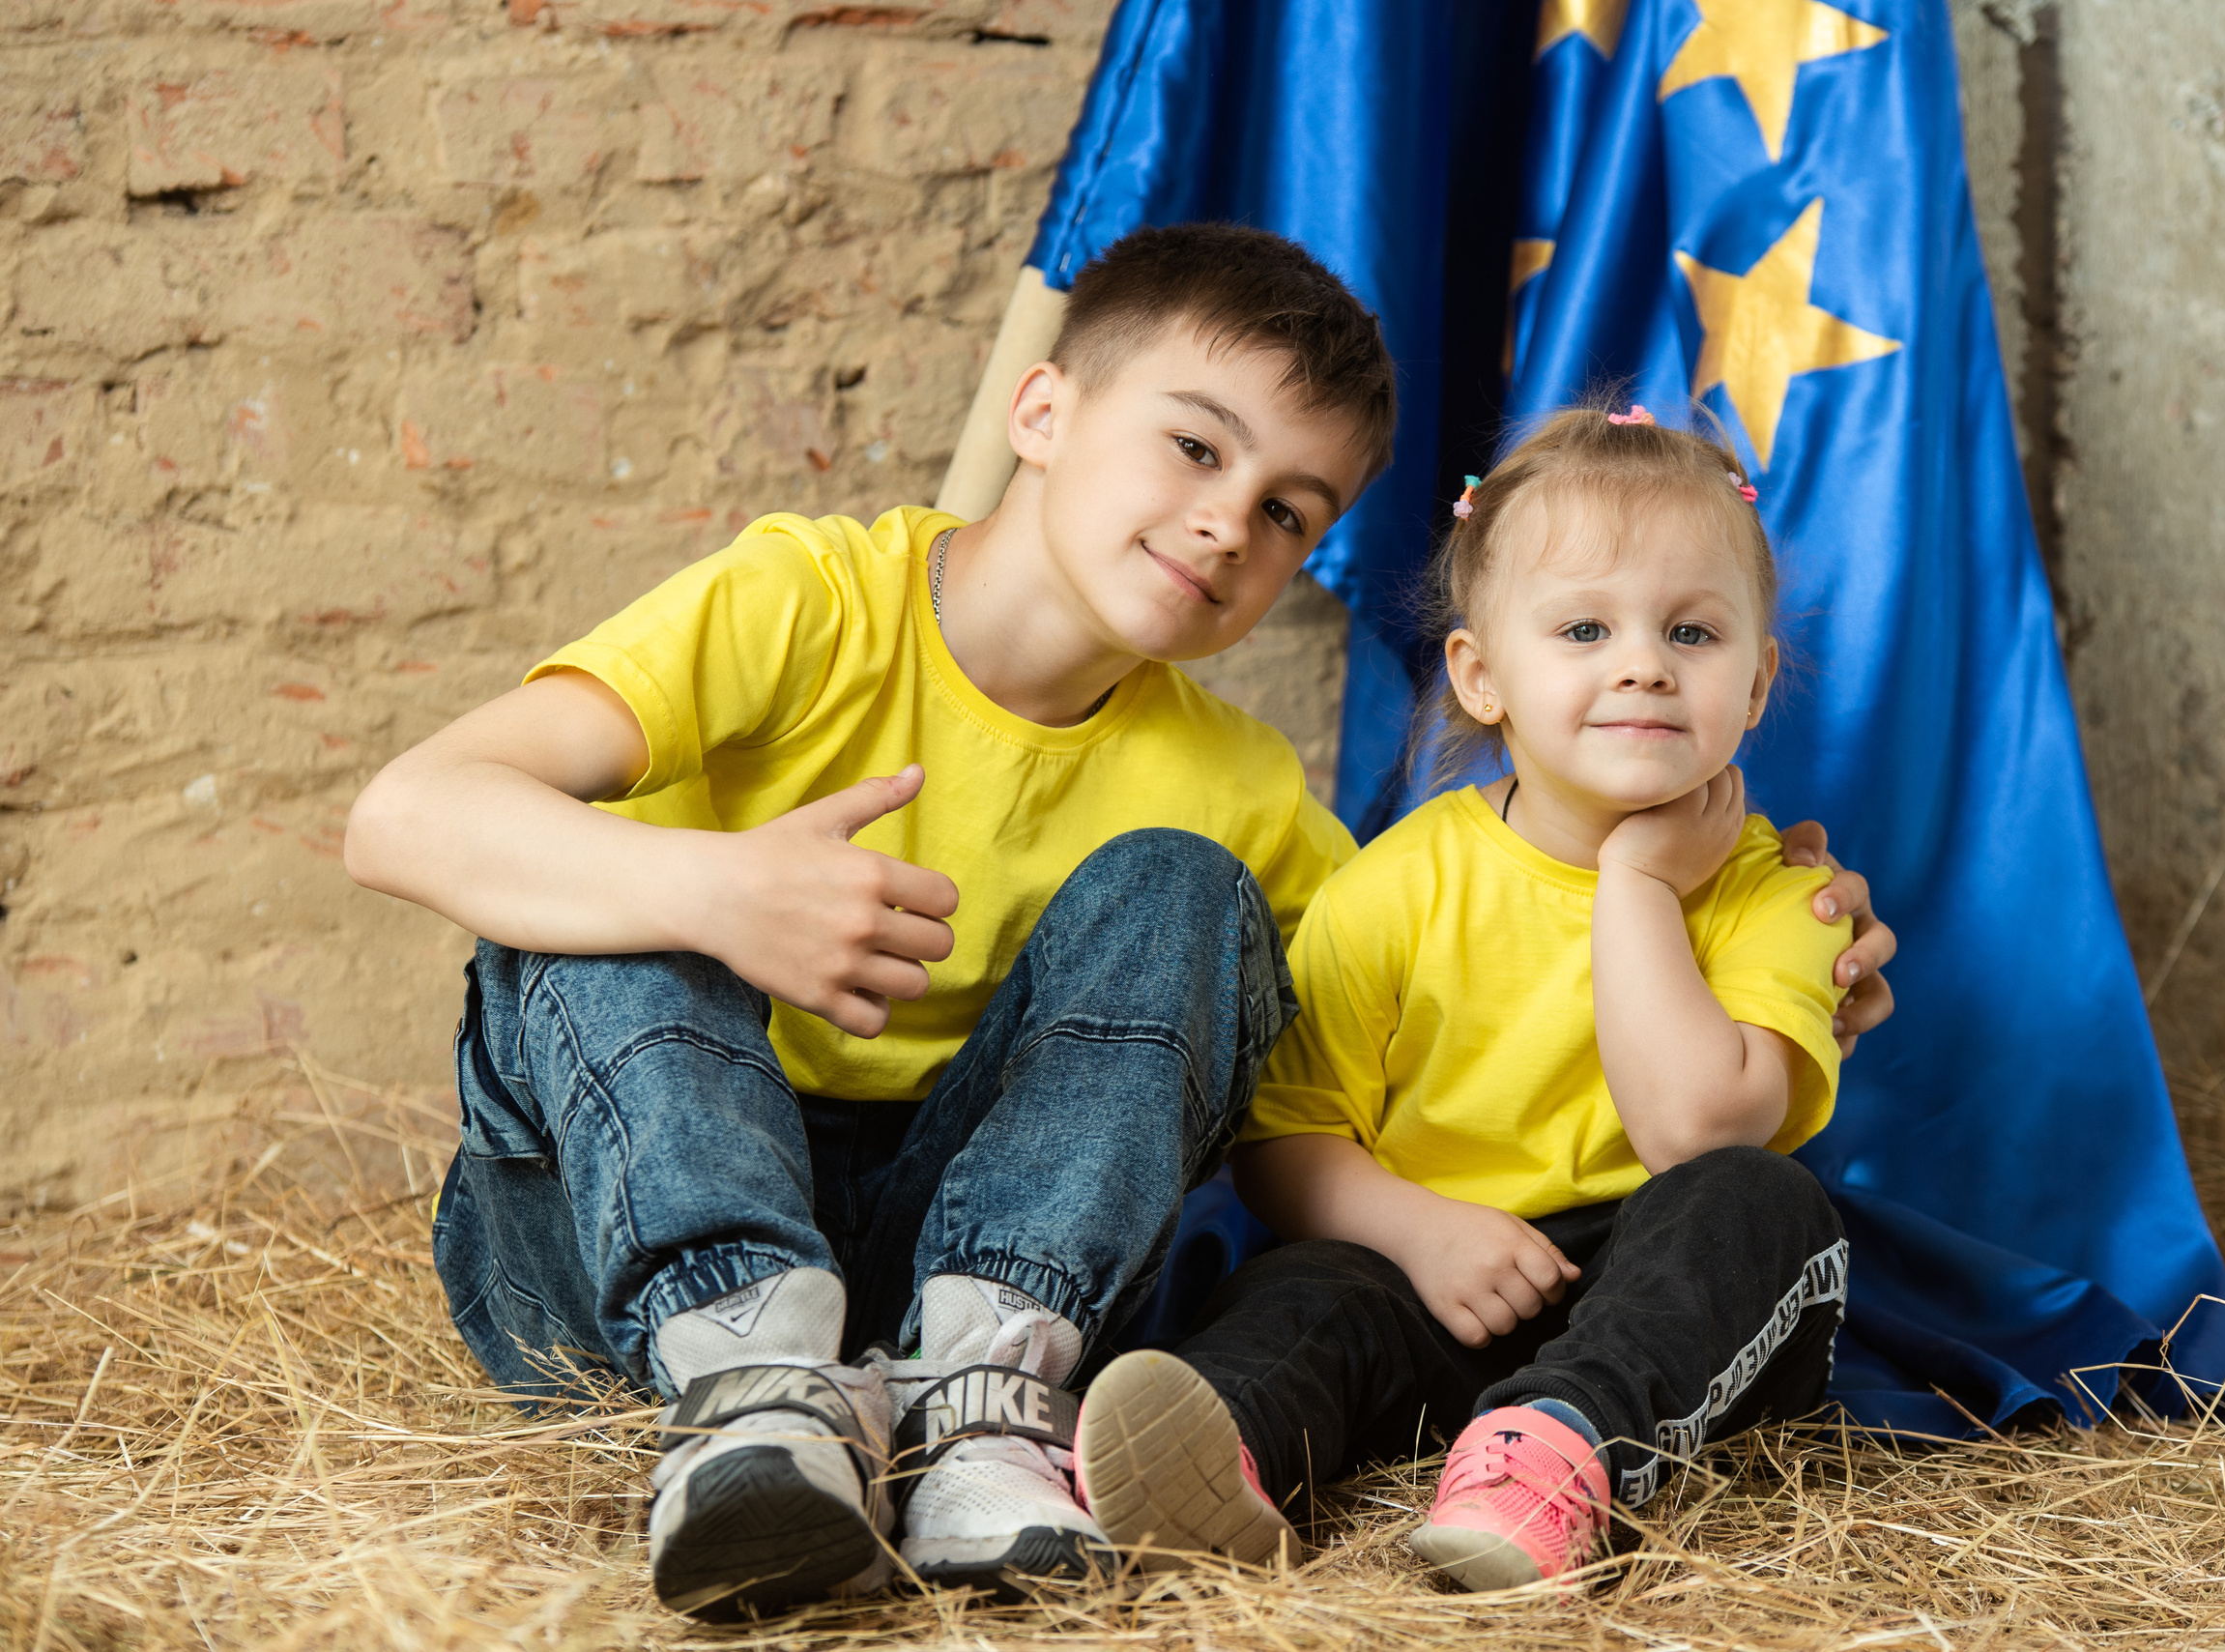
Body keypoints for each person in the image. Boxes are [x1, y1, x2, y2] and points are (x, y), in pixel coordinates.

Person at [346, 216, 1896, 1614]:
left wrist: (1767, 937)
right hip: (621, 1251)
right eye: (1195, 449)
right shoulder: (804, 603)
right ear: (1043, 409)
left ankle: (981, 1410)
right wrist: (722, 887)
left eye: (1292, 510)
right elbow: (403, 814)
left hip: (940, 1286)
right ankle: (752, 1392)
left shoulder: (1230, 784)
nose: (1232, 524)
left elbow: (1458, 938)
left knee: (1185, 893)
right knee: (590, 879)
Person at [1074, 402, 1858, 1592]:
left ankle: (1549, 1456)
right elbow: (1286, 1140)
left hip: (1662, 1313)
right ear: (1481, 676)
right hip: (1428, 1268)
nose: (1642, 662)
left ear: (1755, 684)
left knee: (1763, 1203)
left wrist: (1640, 882)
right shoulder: (1393, 884)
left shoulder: (1780, 895)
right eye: (1585, 626)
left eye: (1691, 633)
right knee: (1300, 1290)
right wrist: (1416, 1229)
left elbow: (1694, 1131)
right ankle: (1223, 1452)